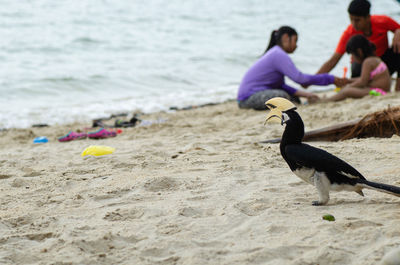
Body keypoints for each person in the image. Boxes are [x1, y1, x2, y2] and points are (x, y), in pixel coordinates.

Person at [237, 26, 347, 110]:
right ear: (286, 38)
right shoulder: (278, 54)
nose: (296, 45)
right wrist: (330, 79)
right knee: (282, 96)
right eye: (295, 40)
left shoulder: (276, 53)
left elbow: (281, 85)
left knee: (293, 98)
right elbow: (300, 79)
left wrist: (307, 94)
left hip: (258, 94)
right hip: (247, 99)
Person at [317, 0, 400, 91]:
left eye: (357, 20)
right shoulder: (349, 32)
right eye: (351, 19)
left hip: (382, 65)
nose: (353, 24)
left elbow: (398, 29)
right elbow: (333, 60)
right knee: (357, 65)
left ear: (368, 17)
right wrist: (312, 80)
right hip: (361, 68)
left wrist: (398, 32)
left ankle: (398, 90)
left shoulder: (383, 21)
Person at [323, 34, 391, 102]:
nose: (353, 58)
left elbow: (363, 82)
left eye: (352, 55)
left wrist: (349, 86)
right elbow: (364, 78)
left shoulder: (368, 62)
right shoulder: (374, 59)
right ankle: (330, 98)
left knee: (347, 91)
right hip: (380, 91)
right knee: (347, 89)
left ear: (359, 52)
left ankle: (326, 100)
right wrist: (349, 80)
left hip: (378, 92)